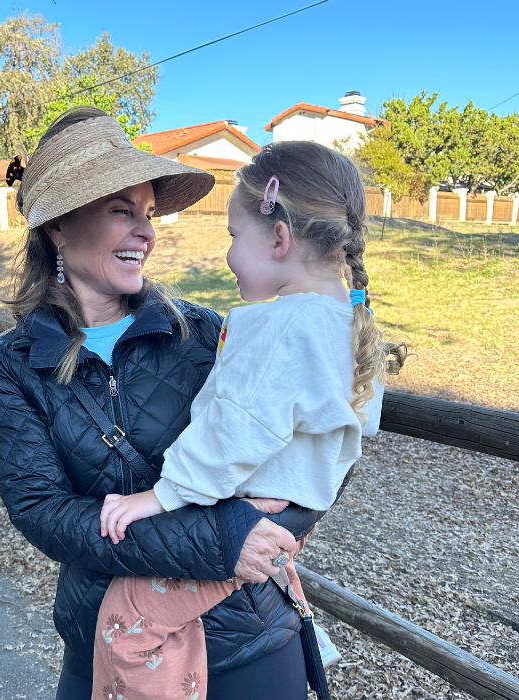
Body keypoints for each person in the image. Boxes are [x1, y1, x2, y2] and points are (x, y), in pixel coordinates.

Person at [0, 107, 323, 700]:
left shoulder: (203, 335)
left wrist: (269, 528)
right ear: (59, 226)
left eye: (148, 212)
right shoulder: (13, 366)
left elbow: (314, 453)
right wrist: (221, 538)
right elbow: (44, 511)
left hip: (247, 638)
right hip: (112, 645)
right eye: (121, 211)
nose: (146, 230)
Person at [93, 140, 407, 700]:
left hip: (240, 506)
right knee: (172, 615)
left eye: (234, 236)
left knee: (129, 619)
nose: (229, 255)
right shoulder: (352, 323)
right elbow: (359, 426)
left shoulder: (282, 327)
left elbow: (232, 429)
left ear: (279, 238)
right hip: (287, 518)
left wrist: (158, 498)